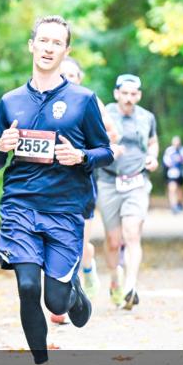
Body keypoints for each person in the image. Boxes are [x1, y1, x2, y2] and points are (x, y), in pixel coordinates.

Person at [0, 15, 114, 365]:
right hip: (20, 207)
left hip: (64, 210)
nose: (48, 47)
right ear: (31, 45)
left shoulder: (83, 99)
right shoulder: (10, 101)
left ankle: (71, 292)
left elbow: (105, 151)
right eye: (42, 40)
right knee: (27, 286)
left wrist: (80, 157)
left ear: (65, 51)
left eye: (57, 43)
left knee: (53, 301)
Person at [50, 57, 119, 324]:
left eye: (72, 75)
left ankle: (69, 296)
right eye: (63, 73)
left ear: (80, 77)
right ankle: (66, 293)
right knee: (56, 242)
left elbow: (111, 136)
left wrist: (83, 151)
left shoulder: (89, 101)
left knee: (76, 244)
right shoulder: (44, 97)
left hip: (81, 182)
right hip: (48, 184)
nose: (67, 78)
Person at [96, 74, 159, 310]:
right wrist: (108, 150)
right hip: (109, 181)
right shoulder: (105, 115)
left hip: (137, 182)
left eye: (134, 94)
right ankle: (115, 278)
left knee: (132, 233)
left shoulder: (147, 117)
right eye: (125, 93)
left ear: (139, 95)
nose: (129, 98)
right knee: (113, 241)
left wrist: (153, 157)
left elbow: (153, 142)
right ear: (116, 94)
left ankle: (131, 286)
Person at [163, 135, 183, 213]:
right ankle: (173, 206)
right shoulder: (169, 150)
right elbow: (165, 161)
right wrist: (171, 163)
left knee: (179, 189)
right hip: (172, 174)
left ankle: (179, 203)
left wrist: (181, 160)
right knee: (172, 188)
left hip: (181, 174)